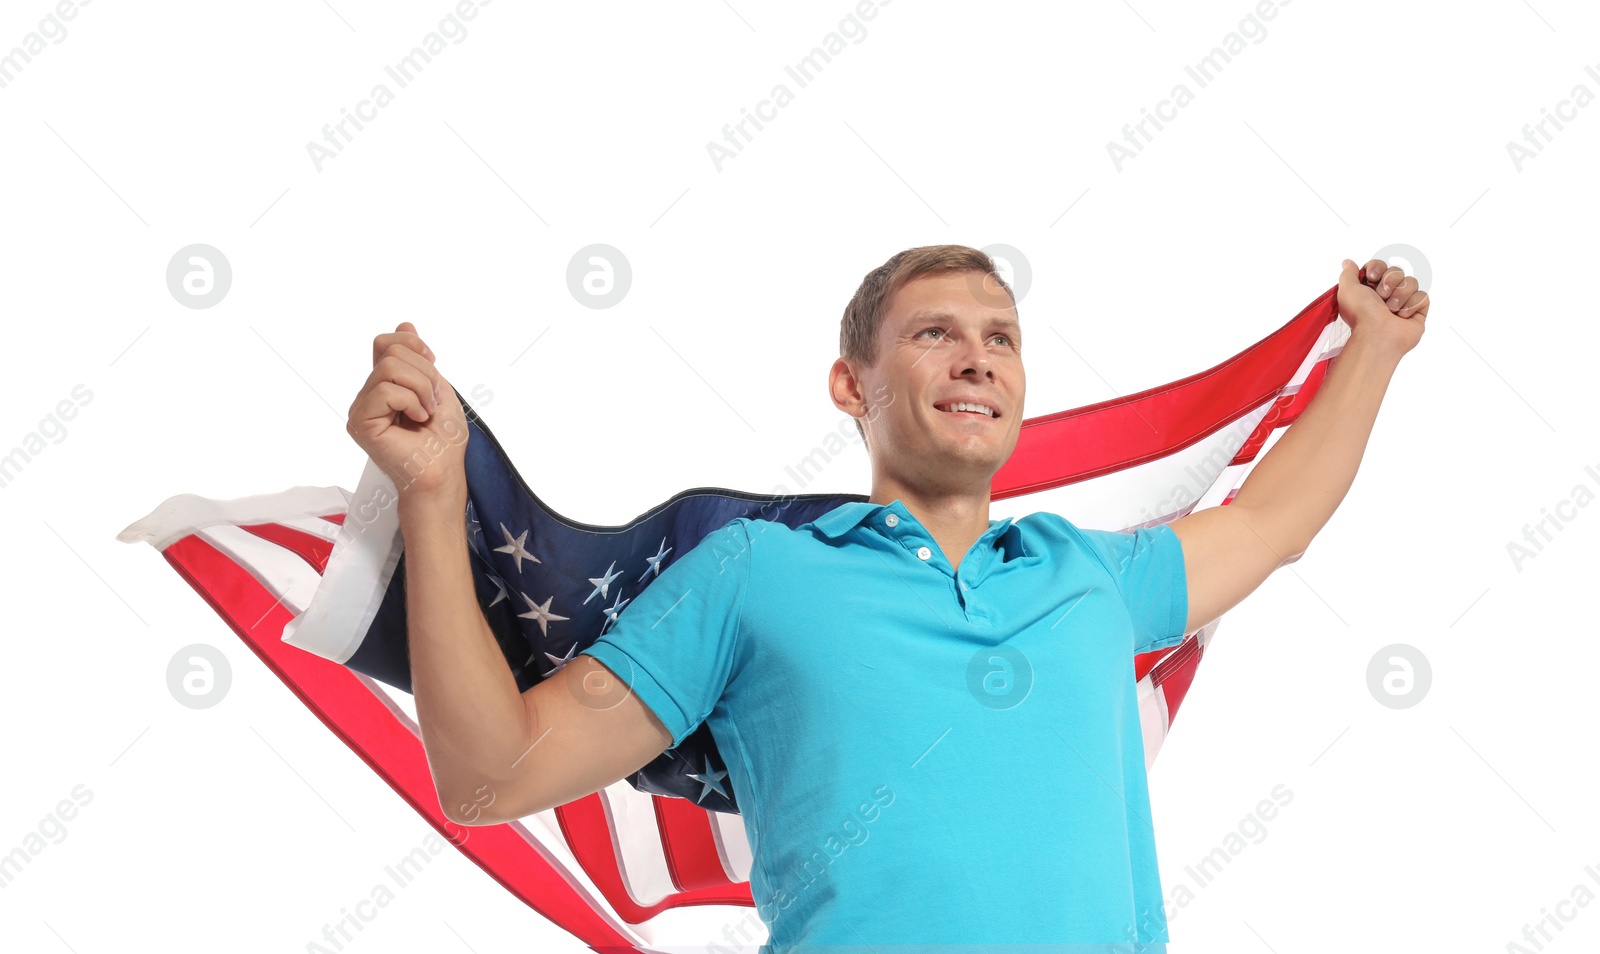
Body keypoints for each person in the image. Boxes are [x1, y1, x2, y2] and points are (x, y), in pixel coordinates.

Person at [345, 244, 1428, 951]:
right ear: (850, 384)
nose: (977, 359)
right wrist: (435, 500)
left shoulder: (1087, 574)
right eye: (933, 333)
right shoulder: (756, 572)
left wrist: (1372, 350)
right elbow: (492, 779)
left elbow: (1271, 523)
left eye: (999, 337)